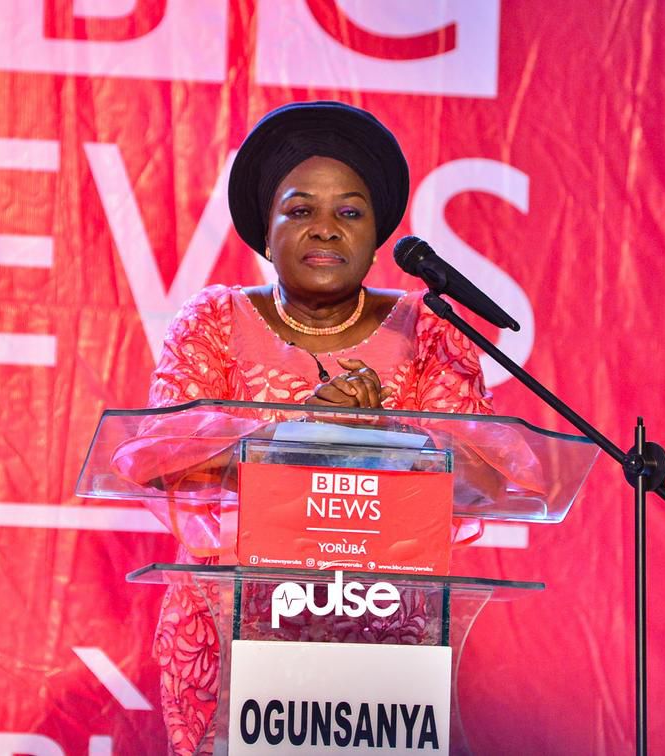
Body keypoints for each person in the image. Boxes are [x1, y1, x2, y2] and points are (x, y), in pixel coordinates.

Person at [114, 101, 543, 755]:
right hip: (233, 639)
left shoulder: (429, 329)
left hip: (384, 642)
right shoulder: (212, 322)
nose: (326, 228)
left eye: (350, 212)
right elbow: (155, 455)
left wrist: (383, 434)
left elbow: (488, 474)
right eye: (299, 209)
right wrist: (301, 426)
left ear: (375, 238)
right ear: (265, 230)